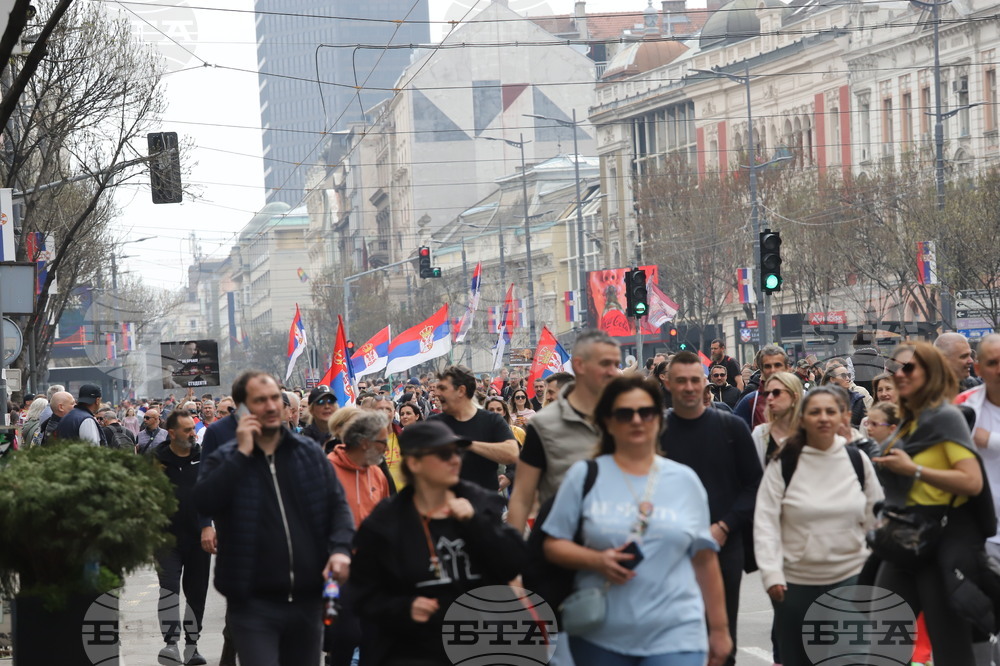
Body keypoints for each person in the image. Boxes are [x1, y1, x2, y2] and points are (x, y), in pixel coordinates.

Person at [543, 375, 732, 665]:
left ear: (659, 419)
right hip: (600, 634)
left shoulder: (684, 480)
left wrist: (719, 630)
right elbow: (553, 544)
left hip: (677, 634)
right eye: (624, 413)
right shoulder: (584, 476)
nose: (636, 420)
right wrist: (596, 560)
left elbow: (705, 560)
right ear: (608, 421)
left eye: (646, 412)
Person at [194, 371, 355, 666]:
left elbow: (338, 507)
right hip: (252, 600)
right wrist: (242, 455)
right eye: (259, 400)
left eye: (274, 399)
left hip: (307, 597)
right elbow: (205, 499)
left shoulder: (307, 452)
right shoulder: (226, 457)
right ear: (244, 409)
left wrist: (341, 550)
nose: (270, 406)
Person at [349, 420, 527, 666]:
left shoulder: (480, 503)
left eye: (457, 452)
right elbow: (361, 594)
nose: (455, 460)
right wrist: (403, 608)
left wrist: (475, 523)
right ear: (414, 463)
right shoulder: (387, 521)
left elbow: (514, 562)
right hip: (414, 652)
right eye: (443, 454)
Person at [872, 343, 995, 666]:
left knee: (951, 649)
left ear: (931, 373)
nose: (900, 374)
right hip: (902, 539)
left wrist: (913, 469)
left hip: (938, 541)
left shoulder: (945, 417)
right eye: (895, 368)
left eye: (909, 368)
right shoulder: (907, 420)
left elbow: (972, 482)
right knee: (882, 645)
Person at [754, 386, 883, 666]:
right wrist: (771, 574)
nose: (823, 418)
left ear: (842, 417)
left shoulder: (858, 461)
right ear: (803, 419)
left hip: (852, 580)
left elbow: (876, 519)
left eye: (830, 411)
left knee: (853, 660)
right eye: (815, 412)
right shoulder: (784, 463)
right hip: (795, 586)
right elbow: (765, 522)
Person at [660, 351, 762, 666]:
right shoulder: (653, 431)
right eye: (682, 381)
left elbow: (754, 486)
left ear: (705, 384)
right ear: (668, 384)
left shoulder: (731, 428)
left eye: (695, 380)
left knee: (721, 640)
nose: (689, 388)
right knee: (674, 639)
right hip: (669, 549)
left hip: (723, 544)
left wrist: (724, 526)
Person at [507, 331, 621, 533]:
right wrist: (514, 549)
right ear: (579, 365)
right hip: (560, 539)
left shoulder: (625, 417)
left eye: (615, 364)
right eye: (605, 364)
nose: (613, 371)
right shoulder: (543, 424)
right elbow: (522, 494)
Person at [325, 410, 391, 666]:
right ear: (364, 443)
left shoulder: (376, 473)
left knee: (373, 639)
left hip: (373, 573)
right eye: (382, 442)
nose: (387, 449)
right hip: (337, 570)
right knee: (346, 634)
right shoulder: (326, 470)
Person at [154, 409, 210, 666]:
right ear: (172, 433)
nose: (192, 434)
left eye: (193, 429)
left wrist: (209, 525)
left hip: (199, 538)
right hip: (166, 539)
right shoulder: (156, 459)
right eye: (187, 430)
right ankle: (170, 644)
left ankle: (192, 645)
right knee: (169, 590)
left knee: (196, 593)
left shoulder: (204, 458)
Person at [427, 365, 518, 492]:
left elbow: (512, 453)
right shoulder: (433, 424)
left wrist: (467, 444)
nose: (436, 393)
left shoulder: (492, 421)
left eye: (443, 388)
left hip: (485, 507)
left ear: (461, 391)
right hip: (444, 507)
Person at [751, 371, 804, 467]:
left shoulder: (811, 431)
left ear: (794, 397)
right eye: (767, 393)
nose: (770, 398)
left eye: (776, 392)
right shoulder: (761, 433)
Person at [734, 346, 789, 430]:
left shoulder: (799, 397)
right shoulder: (750, 401)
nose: (773, 370)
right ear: (762, 370)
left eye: (777, 365)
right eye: (768, 366)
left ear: (786, 368)